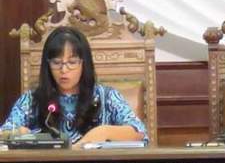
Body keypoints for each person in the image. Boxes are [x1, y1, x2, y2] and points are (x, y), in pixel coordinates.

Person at [1, 26, 147, 147]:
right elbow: (4, 133)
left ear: (84, 63)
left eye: (72, 62)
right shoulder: (31, 100)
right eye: (56, 63)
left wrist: (103, 132)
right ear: (47, 65)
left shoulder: (107, 97)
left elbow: (139, 133)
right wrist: (17, 133)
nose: (64, 70)